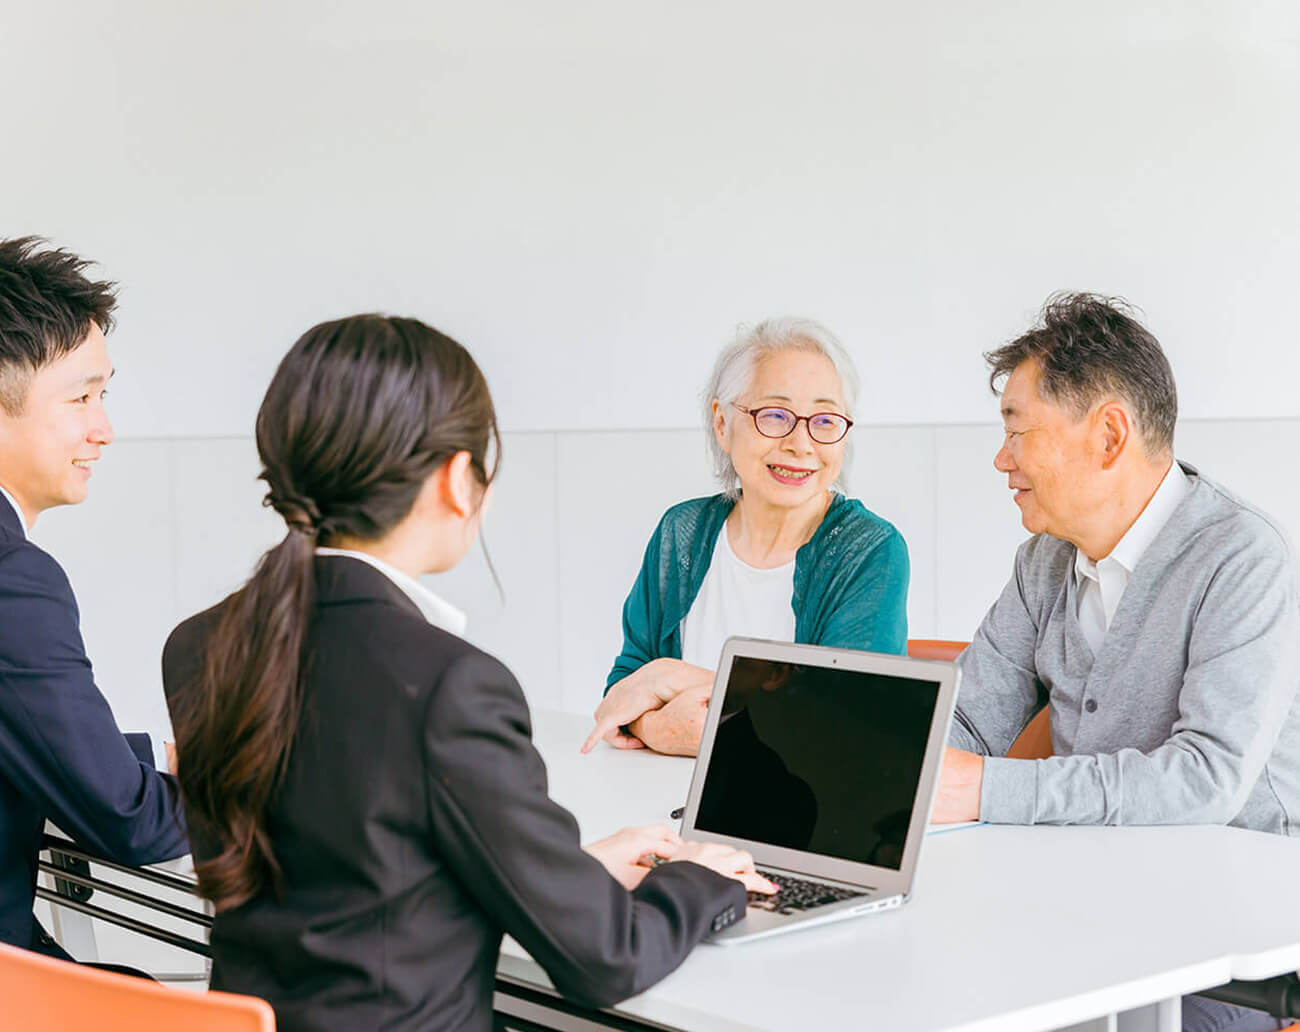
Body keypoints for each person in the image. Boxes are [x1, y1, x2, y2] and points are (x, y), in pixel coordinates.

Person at [162, 314, 773, 1032]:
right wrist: (699, 882)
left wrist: (568, 873)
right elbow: (605, 958)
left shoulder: (201, 645)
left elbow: (356, 878)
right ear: (458, 478)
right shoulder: (450, 685)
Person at [933, 292, 1300, 1032]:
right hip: (1084, 911)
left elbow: (1205, 783)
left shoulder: (1242, 558)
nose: (1002, 459)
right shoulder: (1044, 563)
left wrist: (985, 792)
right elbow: (965, 722)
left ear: (1108, 435)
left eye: (1018, 432)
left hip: (1235, 946)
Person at [585, 317, 909, 757]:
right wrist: (659, 726)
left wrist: (673, 679)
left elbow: (842, 721)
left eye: (825, 420)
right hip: (661, 804)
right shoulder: (682, 534)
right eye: (775, 415)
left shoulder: (867, 550)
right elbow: (625, 690)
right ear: (722, 423)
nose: (801, 443)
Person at [0, 236, 187, 959]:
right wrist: (256, 779)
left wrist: (151, 756)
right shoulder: (16, 579)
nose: (102, 430)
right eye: (81, 397)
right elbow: (132, 825)